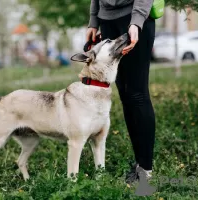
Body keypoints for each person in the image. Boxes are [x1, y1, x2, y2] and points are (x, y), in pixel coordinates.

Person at [86, 0, 156, 183]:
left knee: (137, 94)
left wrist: (137, 20)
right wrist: (94, 20)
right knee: (125, 95)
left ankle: (146, 170)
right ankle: (139, 163)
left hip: (134, 18)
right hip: (107, 21)